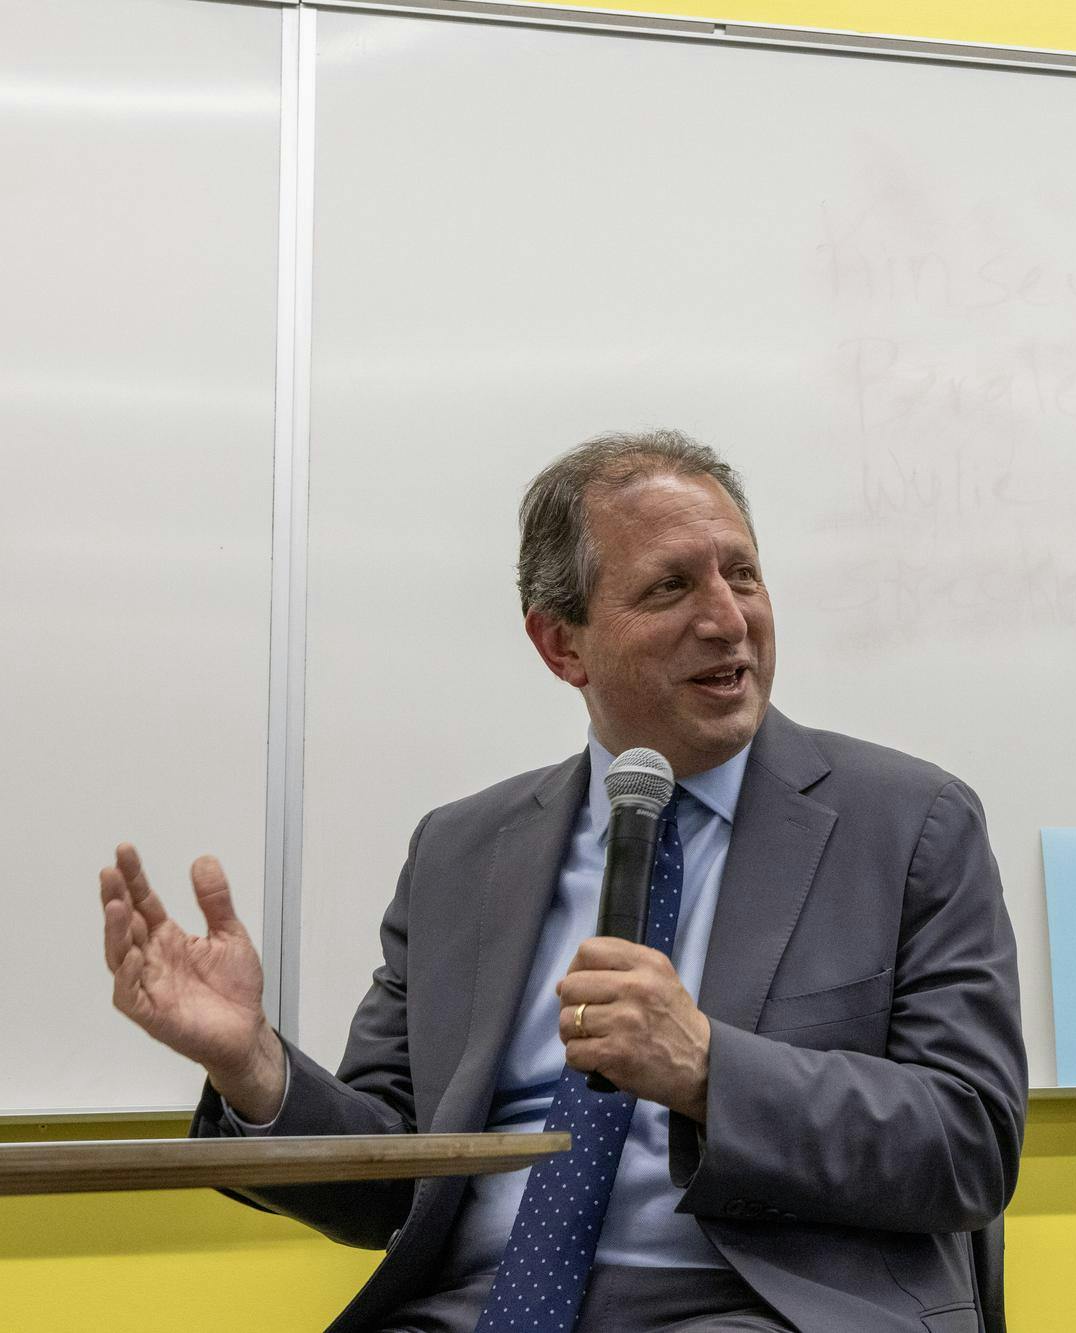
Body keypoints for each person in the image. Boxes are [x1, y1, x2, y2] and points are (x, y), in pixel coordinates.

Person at [98, 430, 1028, 1333]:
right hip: (473, 1305)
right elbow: (391, 1181)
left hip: (756, 1306)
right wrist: (251, 1064)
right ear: (561, 645)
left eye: (741, 573)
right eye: (671, 586)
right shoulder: (461, 850)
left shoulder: (908, 825)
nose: (727, 617)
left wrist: (708, 1069)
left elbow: (970, 1142)